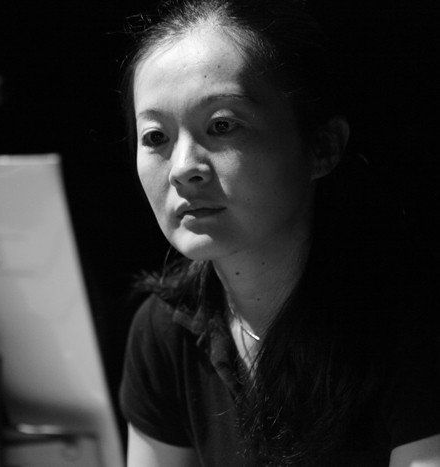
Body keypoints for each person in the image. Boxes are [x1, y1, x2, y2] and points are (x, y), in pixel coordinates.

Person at [118, 0, 440, 465]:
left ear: (322, 147)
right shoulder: (166, 330)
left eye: (222, 125)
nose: (183, 168)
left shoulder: (413, 327)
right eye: (155, 138)